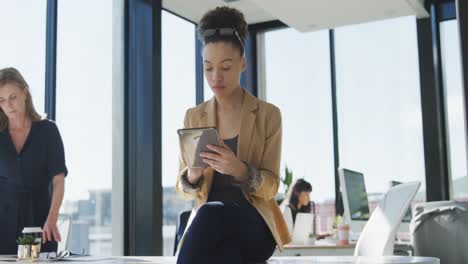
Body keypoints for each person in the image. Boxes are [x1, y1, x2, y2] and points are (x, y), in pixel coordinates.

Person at [175, 6, 291, 264]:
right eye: (208, 68)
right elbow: (183, 191)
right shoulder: (194, 117)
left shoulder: (268, 115)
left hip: (254, 224)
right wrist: (192, 175)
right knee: (226, 255)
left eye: (226, 67)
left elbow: (271, 186)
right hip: (212, 232)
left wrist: (239, 169)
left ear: (243, 63)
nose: (216, 77)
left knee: (210, 215)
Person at [0, 67, 67, 253]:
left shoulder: (48, 131)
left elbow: (58, 180)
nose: (9, 105)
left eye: (12, 97)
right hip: (3, 224)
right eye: (2, 100)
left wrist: (52, 219)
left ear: (25, 93)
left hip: (41, 223)